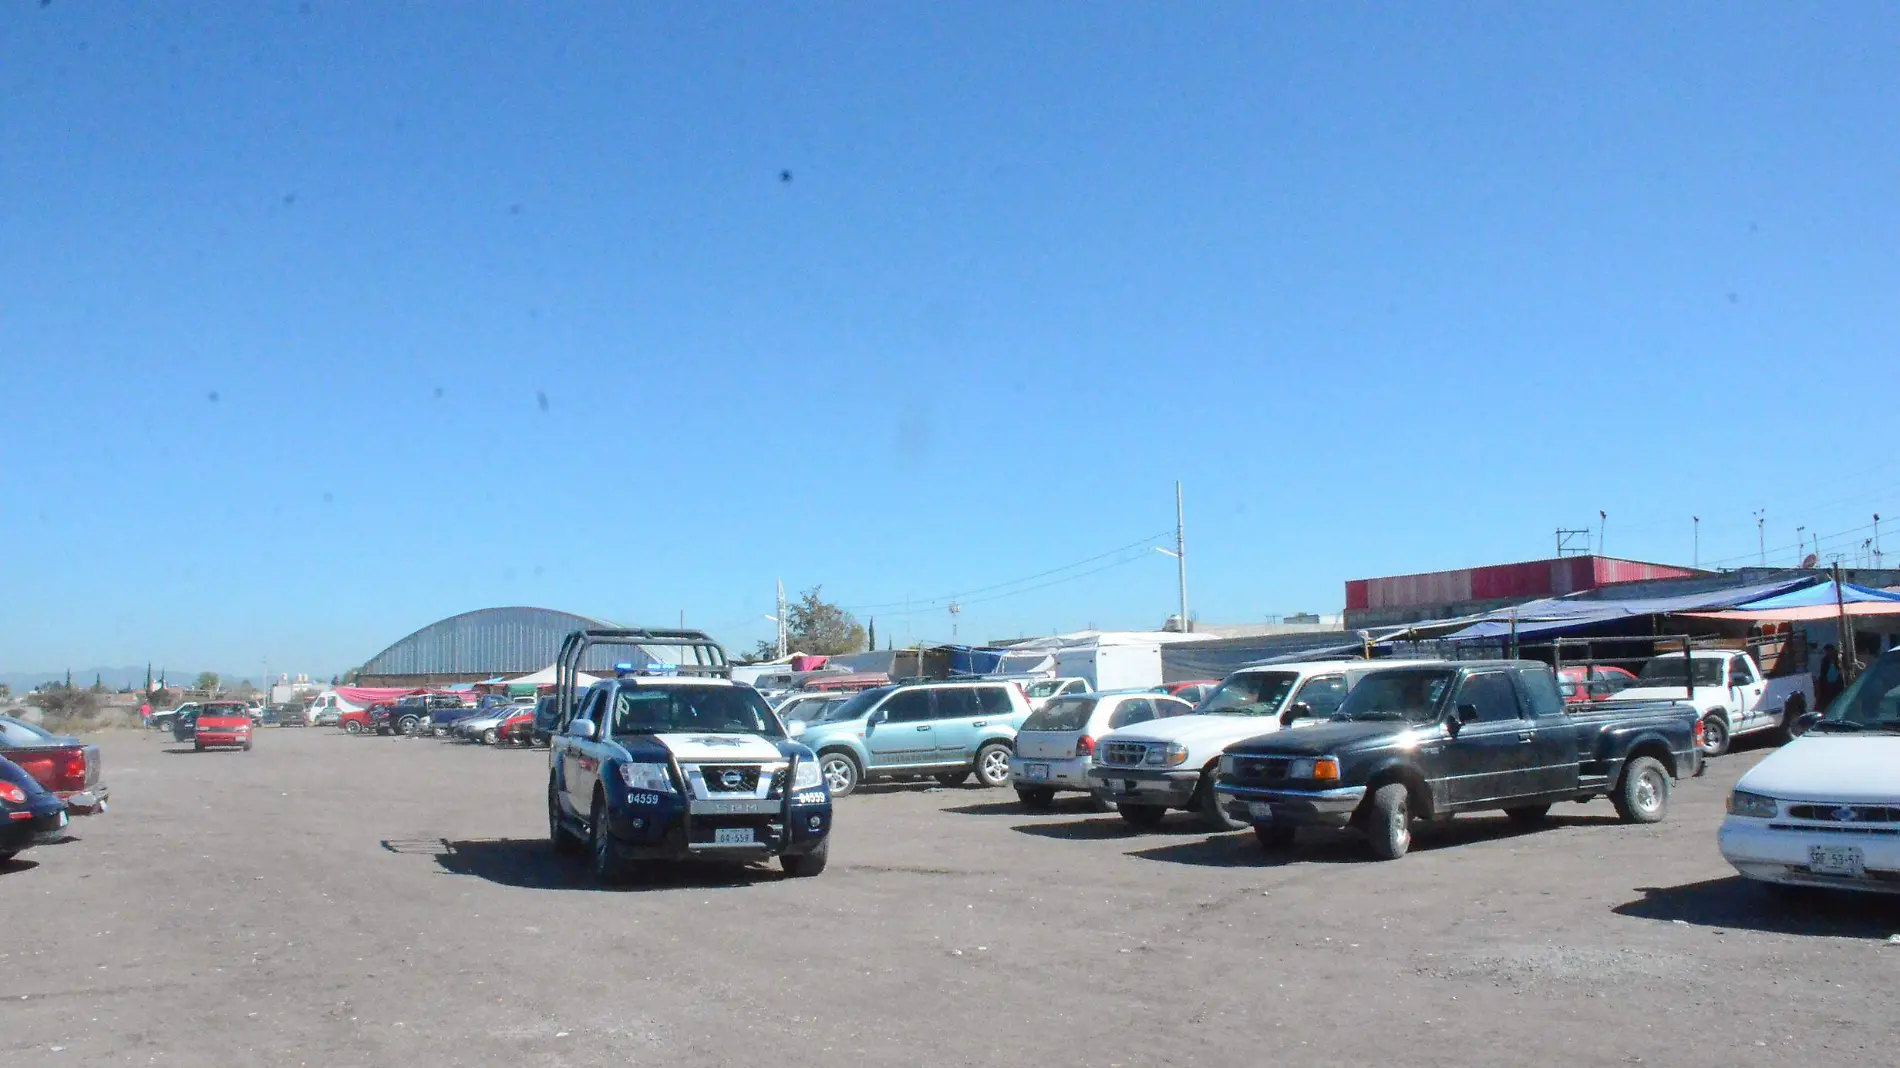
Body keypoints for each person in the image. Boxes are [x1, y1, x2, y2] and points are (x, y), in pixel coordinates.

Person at [1816, 644, 1844, 712]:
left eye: (1828, 651)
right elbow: (1823, 673)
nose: (1827, 653)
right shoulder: (1825, 660)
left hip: (1838, 683)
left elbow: (1842, 669)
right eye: (1826, 652)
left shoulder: (1839, 659)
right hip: (1828, 684)